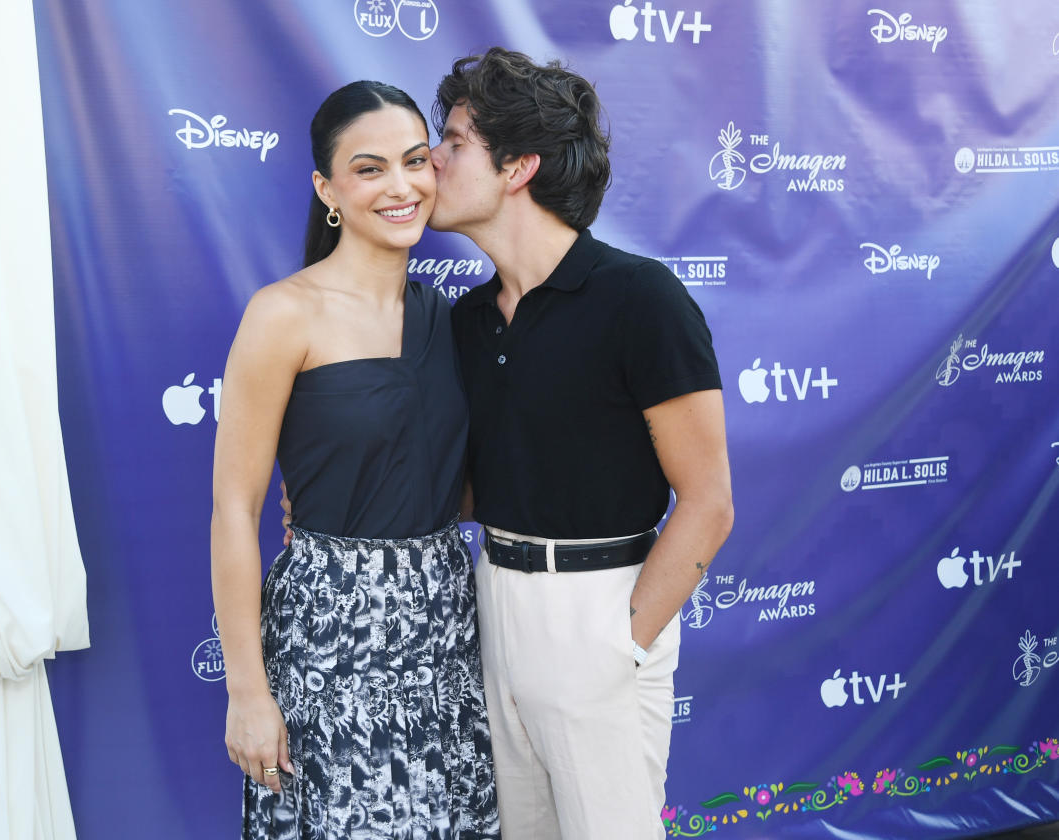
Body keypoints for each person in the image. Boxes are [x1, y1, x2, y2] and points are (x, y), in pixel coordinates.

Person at [428, 49, 735, 839]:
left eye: (454, 140)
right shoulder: (466, 321)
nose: (431, 158)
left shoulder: (641, 300)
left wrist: (620, 645)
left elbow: (708, 504)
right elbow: (479, 484)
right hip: (493, 601)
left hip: (602, 607)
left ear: (518, 166)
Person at [210, 81, 499, 839]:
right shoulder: (283, 314)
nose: (401, 187)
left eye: (415, 161)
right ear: (327, 189)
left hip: (445, 630)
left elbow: (450, 477)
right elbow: (235, 509)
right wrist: (248, 691)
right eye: (370, 169)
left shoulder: (451, 317)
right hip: (329, 638)